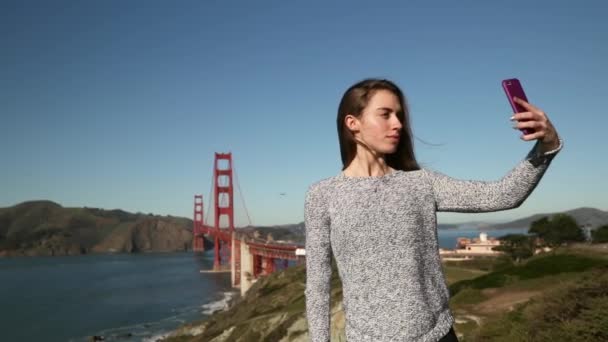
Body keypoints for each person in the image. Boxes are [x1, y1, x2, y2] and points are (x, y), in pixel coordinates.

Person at [304, 78, 562, 342]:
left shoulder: (421, 183)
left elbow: (503, 195)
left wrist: (547, 145)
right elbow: (317, 286)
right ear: (353, 123)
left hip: (437, 336)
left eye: (399, 115)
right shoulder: (323, 194)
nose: (398, 124)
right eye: (385, 114)